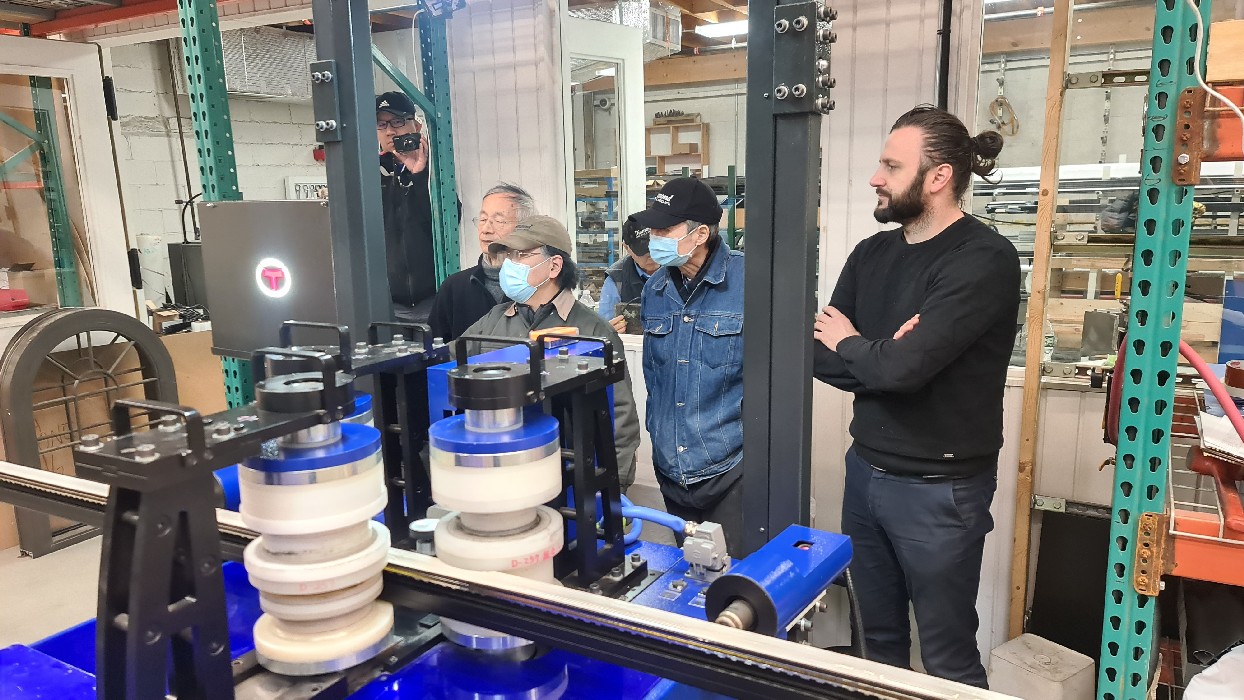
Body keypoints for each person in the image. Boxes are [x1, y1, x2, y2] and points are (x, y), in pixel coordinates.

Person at [812, 105, 1018, 689]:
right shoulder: (871, 254)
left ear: (938, 177)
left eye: (891, 166)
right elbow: (821, 355)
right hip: (865, 473)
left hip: (940, 491)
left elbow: (897, 366)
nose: (875, 178)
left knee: (948, 659)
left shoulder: (983, 258)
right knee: (877, 645)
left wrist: (861, 346)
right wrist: (885, 357)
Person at [461, 215, 641, 489]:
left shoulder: (592, 330)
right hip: (500, 471)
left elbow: (620, 415)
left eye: (521, 255)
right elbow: (449, 365)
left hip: (567, 475)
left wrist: (612, 489)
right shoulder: (493, 320)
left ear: (554, 266)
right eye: (508, 255)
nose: (510, 264)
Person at [630, 178, 744, 551]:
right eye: (653, 229)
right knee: (690, 574)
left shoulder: (750, 283)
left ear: (701, 234)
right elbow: (655, 378)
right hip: (671, 471)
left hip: (731, 471)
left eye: (665, 229)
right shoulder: (655, 290)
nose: (654, 238)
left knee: (731, 576)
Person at [428, 183, 535, 341]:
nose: (486, 229)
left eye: (498, 221)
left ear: (524, 229)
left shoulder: (538, 284)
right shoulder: (454, 287)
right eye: (483, 219)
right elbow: (436, 348)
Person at [376, 91, 436, 322]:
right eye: (381, 124)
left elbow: (448, 221)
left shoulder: (437, 168)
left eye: (398, 121)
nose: (390, 131)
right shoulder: (367, 172)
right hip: (385, 302)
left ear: (416, 125)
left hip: (433, 298)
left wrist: (419, 175)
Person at [597, 217, 660, 334]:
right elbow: (603, 330)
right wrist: (611, 331)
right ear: (627, 248)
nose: (651, 255)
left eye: (655, 247)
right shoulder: (616, 279)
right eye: (642, 251)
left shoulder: (679, 269)